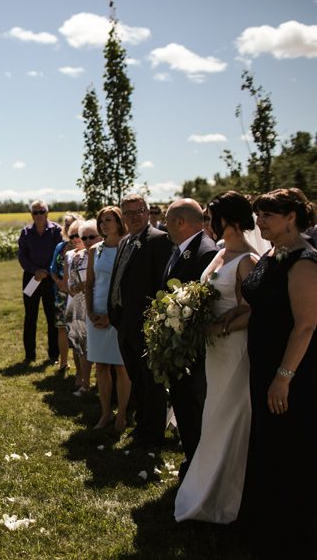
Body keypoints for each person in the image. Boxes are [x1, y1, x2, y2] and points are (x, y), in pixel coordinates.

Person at [240, 188, 316, 557]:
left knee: (291, 449)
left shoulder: (303, 261)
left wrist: (283, 377)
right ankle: (268, 524)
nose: (260, 221)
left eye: (268, 215)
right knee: (269, 444)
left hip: (292, 373)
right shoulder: (271, 254)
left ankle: (293, 535)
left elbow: (305, 326)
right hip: (264, 365)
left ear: (292, 217)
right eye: (258, 214)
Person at [175, 191, 258, 524]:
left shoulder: (248, 261)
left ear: (232, 221)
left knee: (230, 415)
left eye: (212, 217)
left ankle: (228, 496)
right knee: (213, 416)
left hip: (233, 348)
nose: (208, 223)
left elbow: (250, 311)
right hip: (213, 350)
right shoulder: (221, 253)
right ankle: (206, 487)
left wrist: (216, 329)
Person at [107, 194, 172, 447]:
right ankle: (142, 426)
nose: (134, 217)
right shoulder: (125, 241)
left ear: (147, 213)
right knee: (137, 379)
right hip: (124, 323)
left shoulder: (159, 240)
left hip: (145, 324)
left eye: (139, 211)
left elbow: (162, 284)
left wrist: (153, 321)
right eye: (129, 212)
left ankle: (153, 434)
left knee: (150, 382)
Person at [162, 199, 218, 479]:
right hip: (179, 350)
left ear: (180, 222)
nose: (164, 226)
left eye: (167, 221)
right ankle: (192, 462)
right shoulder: (181, 251)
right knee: (185, 408)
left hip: (194, 352)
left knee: (196, 409)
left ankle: (200, 468)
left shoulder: (204, 254)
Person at [85, 207, 130, 431]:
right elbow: (90, 283)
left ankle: (122, 415)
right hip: (96, 312)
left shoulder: (128, 246)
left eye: (109, 220)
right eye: (101, 220)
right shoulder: (95, 250)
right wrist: (91, 312)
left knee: (121, 367)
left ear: (119, 222)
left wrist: (111, 316)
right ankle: (105, 414)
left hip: (118, 315)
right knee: (101, 366)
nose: (104, 224)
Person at [17, 200, 61, 364]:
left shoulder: (56, 230)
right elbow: (22, 255)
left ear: (47, 213)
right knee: (30, 316)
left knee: (52, 317)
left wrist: (48, 271)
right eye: (35, 212)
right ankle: (30, 355)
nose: (39, 215)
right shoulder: (26, 232)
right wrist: (35, 271)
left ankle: (54, 355)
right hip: (31, 277)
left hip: (51, 278)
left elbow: (59, 254)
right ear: (31, 215)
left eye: (42, 211)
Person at [67, 219, 99, 395]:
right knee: (81, 346)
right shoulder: (75, 257)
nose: (87, 241)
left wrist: (87, 284)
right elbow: (70, 285)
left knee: (99, 345)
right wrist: (75, 287)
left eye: (91, 237)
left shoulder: (103, 254)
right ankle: (85, 384)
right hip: (79, 304)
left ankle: (103, 384)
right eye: (84, 237)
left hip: (98, 303)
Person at [51, 213, 81, 373]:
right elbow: (52, 268)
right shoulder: (60, 247)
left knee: (78, 329)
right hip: (61, 294)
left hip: (78, 294)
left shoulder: (85, 245)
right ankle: (63, 362)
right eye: (67, 224)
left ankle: (81, 368)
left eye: (73, 224)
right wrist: (58, 282)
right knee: (61, 328)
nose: (69, 227)